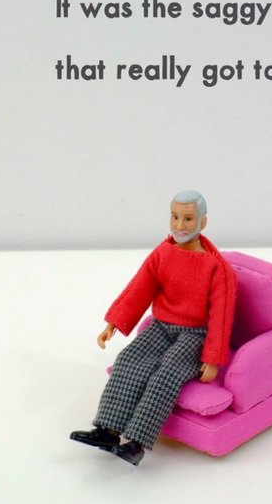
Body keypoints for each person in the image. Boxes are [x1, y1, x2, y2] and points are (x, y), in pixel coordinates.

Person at [70, 190, 236, 465]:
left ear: (203, 222)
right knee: (128, 360)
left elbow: (221, 314)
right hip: (160, 327)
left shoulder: (217, 268)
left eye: (188, 219)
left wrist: (213, 358)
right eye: (174, 217)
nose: (179, 225)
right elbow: (141, 287)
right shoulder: (163, 253)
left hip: (194, 334)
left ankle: (137, 444)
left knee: (166, 375)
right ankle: (108, 430)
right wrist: (114, 322)